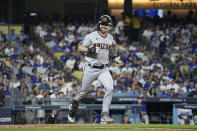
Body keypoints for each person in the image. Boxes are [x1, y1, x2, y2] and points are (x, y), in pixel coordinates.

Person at [68, 15, 124, 123]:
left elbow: (109, 50)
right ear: (99, 24)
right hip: (91, 68)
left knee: (110, 88)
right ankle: (73, 108)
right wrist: (91, 50)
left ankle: (104, 115)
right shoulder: (91, 36)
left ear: (110, 26)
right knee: (83, 93)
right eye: (102, 24)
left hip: (104, 69)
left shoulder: (110, 37)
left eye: (106, 24)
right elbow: (79, 47)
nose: (104, 26)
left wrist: (115, 58)